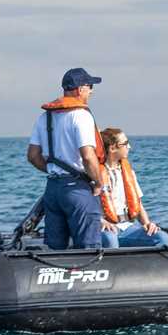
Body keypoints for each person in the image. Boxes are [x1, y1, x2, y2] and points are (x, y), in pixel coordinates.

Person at [25, 66, 107, 251]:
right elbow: (87, 156)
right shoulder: (81, 116)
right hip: (77, 190)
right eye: (89, 86)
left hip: (52, 190)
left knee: (55, 248)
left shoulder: (44, 117)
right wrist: (98, 182)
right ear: (80, 89)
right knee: (89, 247)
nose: (92, 91)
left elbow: (32, 156)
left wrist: (53, 171)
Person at [94, 127, 168, 248]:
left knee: (162, 238)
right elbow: (86, 207)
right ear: (112, 148)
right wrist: (100, 221)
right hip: (106, 228)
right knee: (110, 240)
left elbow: (138, 204)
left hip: (128, 227)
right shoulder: (94, 174)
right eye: (125, 144)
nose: (129, 147)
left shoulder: (128, 173)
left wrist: (147, 223)